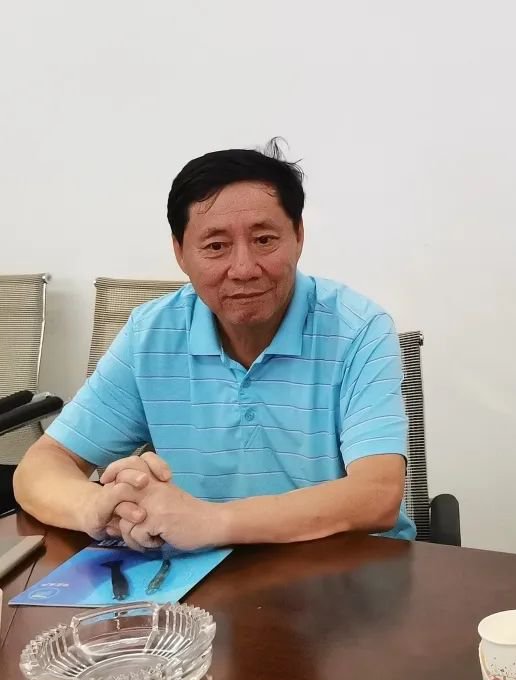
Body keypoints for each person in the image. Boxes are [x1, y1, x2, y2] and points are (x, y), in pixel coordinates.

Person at [14, 140, 415, 550]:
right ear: (180, 253)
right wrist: (101, 506)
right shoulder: (151, 335)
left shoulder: (358, 329)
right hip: (202, 572)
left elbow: (377, 493)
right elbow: (41, 467)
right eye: (216, 246)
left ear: (298, 236)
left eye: (264, 240)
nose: (243, 269)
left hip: (345, 567)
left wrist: (214, 521)